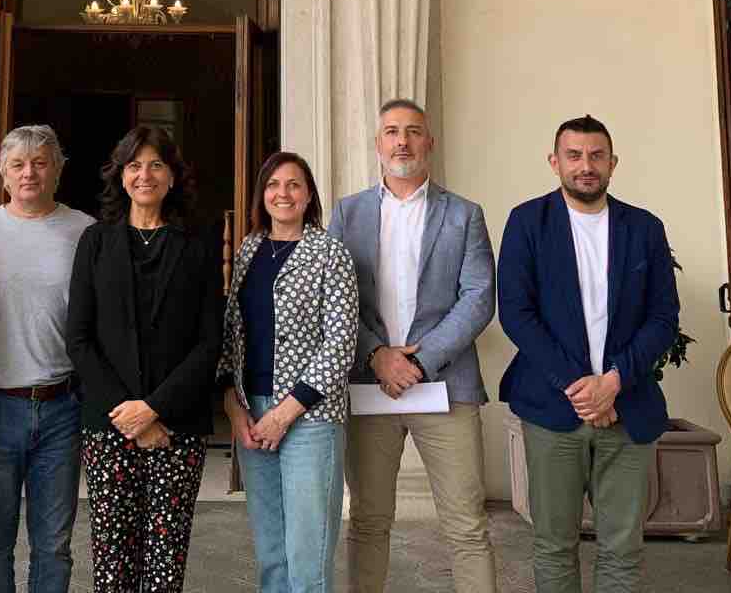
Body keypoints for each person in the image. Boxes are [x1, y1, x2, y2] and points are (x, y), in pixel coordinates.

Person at [497, 115, 681, 593]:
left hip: (628, 405)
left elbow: (664, 317)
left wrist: (614, 381)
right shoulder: (527, 222)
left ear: (613, 163)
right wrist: (582, 388)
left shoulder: (644, 227)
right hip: (554, 407)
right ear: (555, 162)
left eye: (596, 156)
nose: (586, 166)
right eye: (574, 156)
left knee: (622, 547)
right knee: (554, 545)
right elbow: (517, 314)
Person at [327, 97, 499, 593]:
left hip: (446, 387)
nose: (403, 141)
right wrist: (377, 355)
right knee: (367, 521)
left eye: (413, 131)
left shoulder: (465, 214)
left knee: (467, 527)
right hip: (369, 385)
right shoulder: (348, 213)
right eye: (392, 131)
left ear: (429, 142)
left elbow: (478, 297)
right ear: (378, 144)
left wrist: (418, 362)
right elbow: (335, 298)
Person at [65, 125, 224, 593]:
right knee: (113, 566)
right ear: (121, 176)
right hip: (109, 425)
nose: (145, 174)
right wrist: (129, 414)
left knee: (164, 565)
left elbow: (209, 342)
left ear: (173, 177)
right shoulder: (94, 243)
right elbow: (79, 339)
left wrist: (154, 410)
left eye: (156, 164)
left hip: (178, 428)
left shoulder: (197, 245)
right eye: (134, 165)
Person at [220, 151, 359, 593]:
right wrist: (234, 407)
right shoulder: (249, 250)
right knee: (272, 553)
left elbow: (340, 343)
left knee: (307, 555)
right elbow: (231, 333)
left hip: (308, 417)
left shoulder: (330, 252)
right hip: (252, 412)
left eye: (294, 184)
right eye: (274, 185)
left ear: (309, 194)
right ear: (262, 195)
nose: (283, 193)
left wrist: (284, 414)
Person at [0, 124, 94, 593]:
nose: (29, 173)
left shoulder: (85, 231)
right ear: (2, 172)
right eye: (18, 164)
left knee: (53, 546)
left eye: (41, 162)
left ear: (58, 170)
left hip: (62, 406)